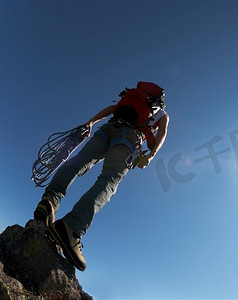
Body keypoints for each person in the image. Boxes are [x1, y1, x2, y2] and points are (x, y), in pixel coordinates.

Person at [33, 82, 169, 271]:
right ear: (160, 100)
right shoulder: (161, 113)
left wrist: (90, 122)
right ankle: (71, 228)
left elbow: (113, 109)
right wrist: (150, 155)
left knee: (78, 162)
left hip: (107, 129)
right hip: (129, 137)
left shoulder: (131, 98)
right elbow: (162, 132)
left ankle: (49, 201)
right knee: (109, 181)